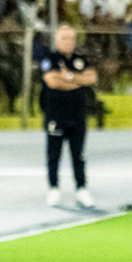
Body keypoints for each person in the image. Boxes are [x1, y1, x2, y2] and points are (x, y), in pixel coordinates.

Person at [39, 25, 96, 208]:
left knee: (78, 154)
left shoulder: (79, 59)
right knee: (53, 154)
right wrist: (77, 80)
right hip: (56, 114)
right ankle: (54, 188)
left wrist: (70, 78)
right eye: (65, 39)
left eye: (71, 39)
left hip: (77, 114)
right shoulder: (50, 58)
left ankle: (81, 188)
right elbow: (53, 81)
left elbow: (92, 78)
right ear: (57, 40)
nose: (69, 42)